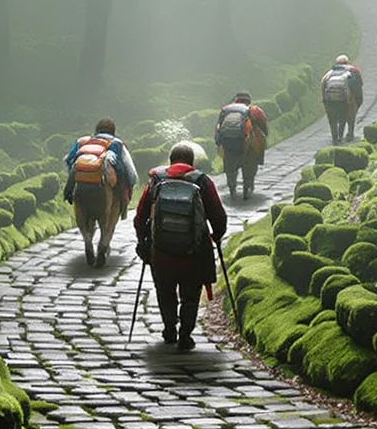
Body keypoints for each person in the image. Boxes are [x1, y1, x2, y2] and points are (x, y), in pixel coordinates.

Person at [134, 140, 227, 350]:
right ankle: (185, 334)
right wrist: (216, 235)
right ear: (192, 162)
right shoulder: (202, 182)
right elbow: (218, 216)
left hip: (161, 252)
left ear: (170, 161)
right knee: (190, 295)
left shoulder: (156, 181)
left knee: (165, 291)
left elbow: (140, 216)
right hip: (194, 253)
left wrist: (143, 240)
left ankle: (169, 328)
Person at [63, 116, 136, 267]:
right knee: (111, 213)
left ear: (96, 131)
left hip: (81, 183)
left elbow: (69, 160)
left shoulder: (82, 142)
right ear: (113, 131)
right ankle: (103, 244)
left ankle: (87, 242)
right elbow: (132, 174)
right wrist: (126, 188)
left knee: (80, 208)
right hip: (105, 185)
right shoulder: (117, 143)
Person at [213, 91, 269, 201]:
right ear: (249, 100)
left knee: (230, 167)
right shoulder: (254, 110)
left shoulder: (225, 110)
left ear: (236, 100)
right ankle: (247, 187)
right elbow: (264, 128)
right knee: (250, 165)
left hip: (228, 144)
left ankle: (232, 188)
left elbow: (219, 127)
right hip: (248, 145)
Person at [321, 55, 363, 142]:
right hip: (345, 100)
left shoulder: (329, 74)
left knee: (332, 120)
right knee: (347, 116)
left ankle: (335, 138)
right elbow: (359, 86)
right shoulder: (353, 71)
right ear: (347, 62)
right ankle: (349, 134)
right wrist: (358, 102)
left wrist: (325, 101)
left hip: (330, 100)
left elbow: (323, 86)